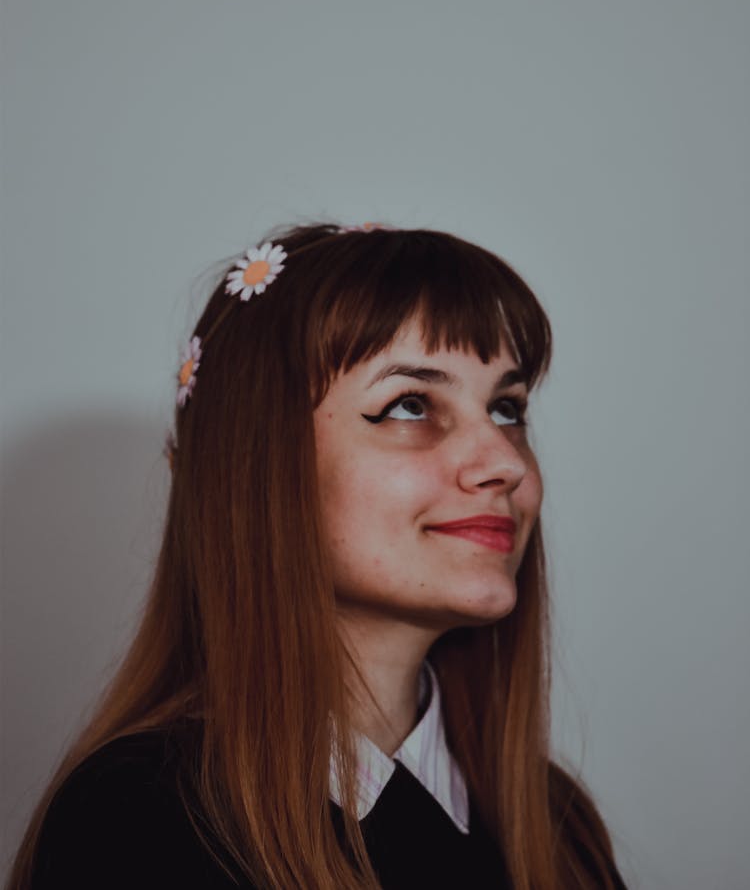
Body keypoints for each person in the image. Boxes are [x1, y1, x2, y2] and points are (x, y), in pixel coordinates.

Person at [6, 222, 628, 890]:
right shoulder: (133, 821)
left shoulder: (557, 825)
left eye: (507, 409)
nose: (505, 462)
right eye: (410, 404)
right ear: (256, 468)